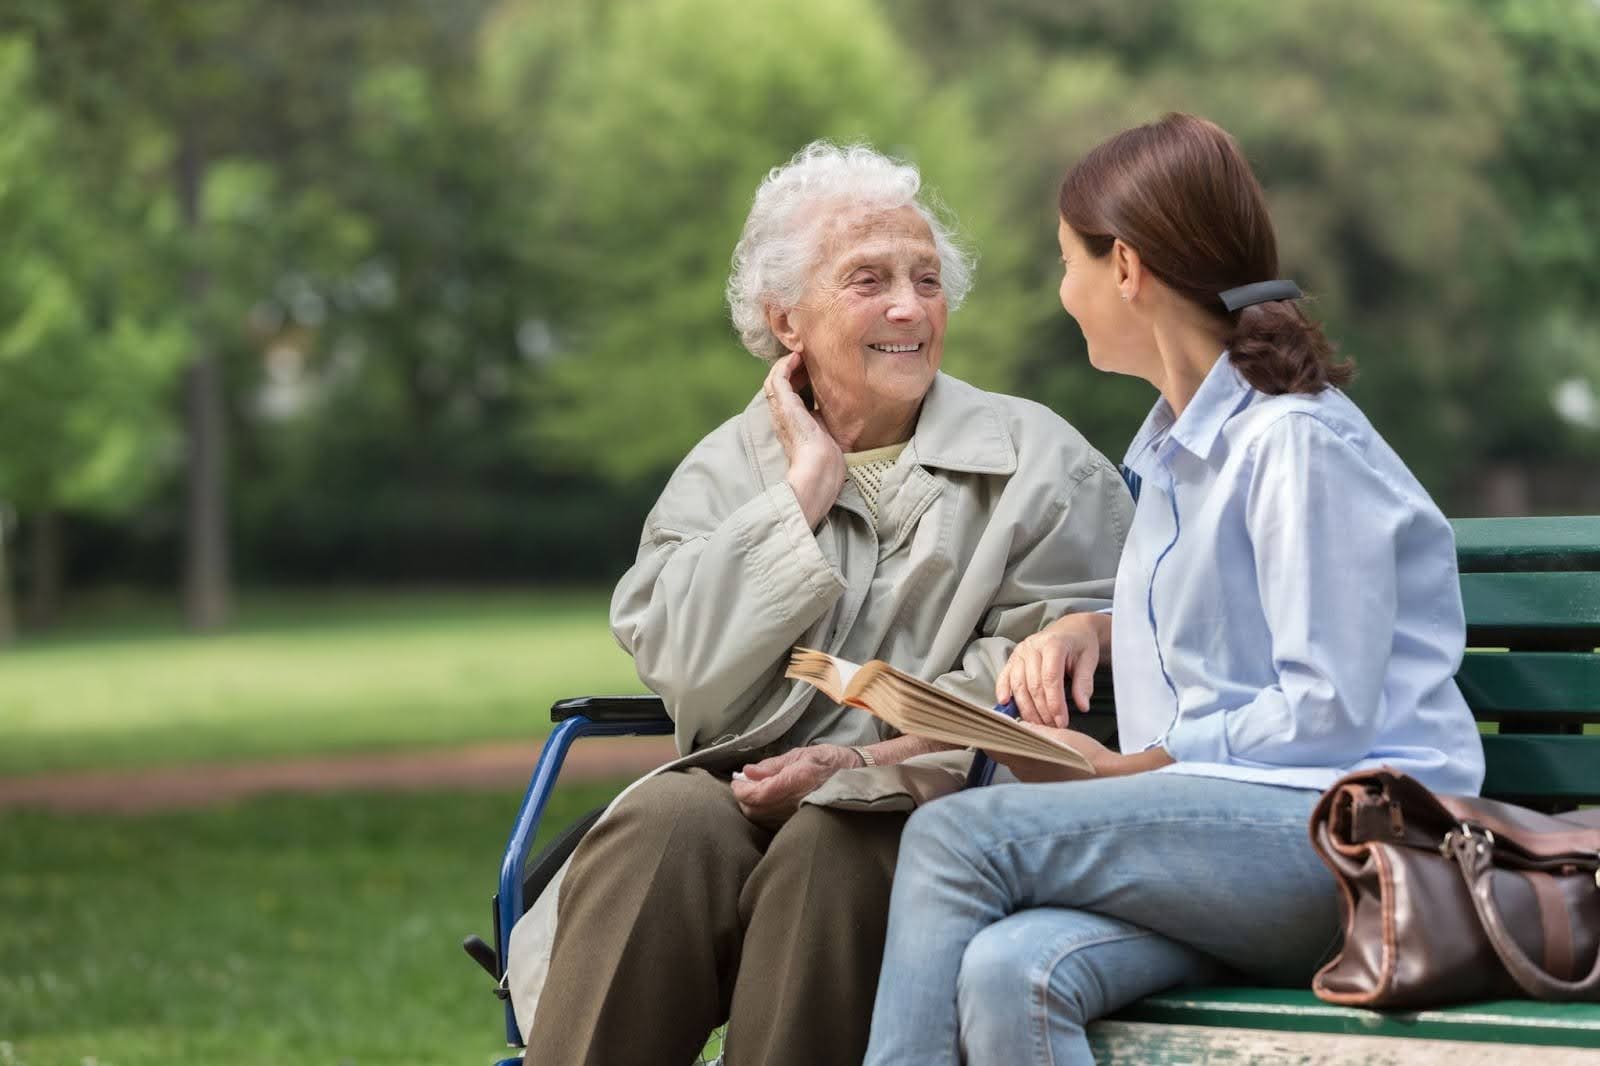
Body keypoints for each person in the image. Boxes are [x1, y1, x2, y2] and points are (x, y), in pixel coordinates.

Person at [862, 113, 1486, 1066]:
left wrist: (1133, 768)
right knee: (1009, 971)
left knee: (957, 840)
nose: (1063, 293)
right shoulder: (1177, 451)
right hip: (1236, 849)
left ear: (1125, 267)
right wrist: (1097, 629)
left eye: (1066, 262)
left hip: (1353, 845)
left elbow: (1327, 704)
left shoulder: (1295, 443)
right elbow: (1248, 613)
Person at [507, 140, 1133, 1066]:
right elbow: (681, 664)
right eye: (869, 280)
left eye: (927, 280)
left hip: (936, 798)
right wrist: (801, 492)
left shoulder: (1040, 461)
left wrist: (861, 761)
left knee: (831, 848)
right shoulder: (726, 470)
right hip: (741, 785)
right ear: (785, 319)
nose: (909, 307)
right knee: (661, 825)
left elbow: (1060, 679)